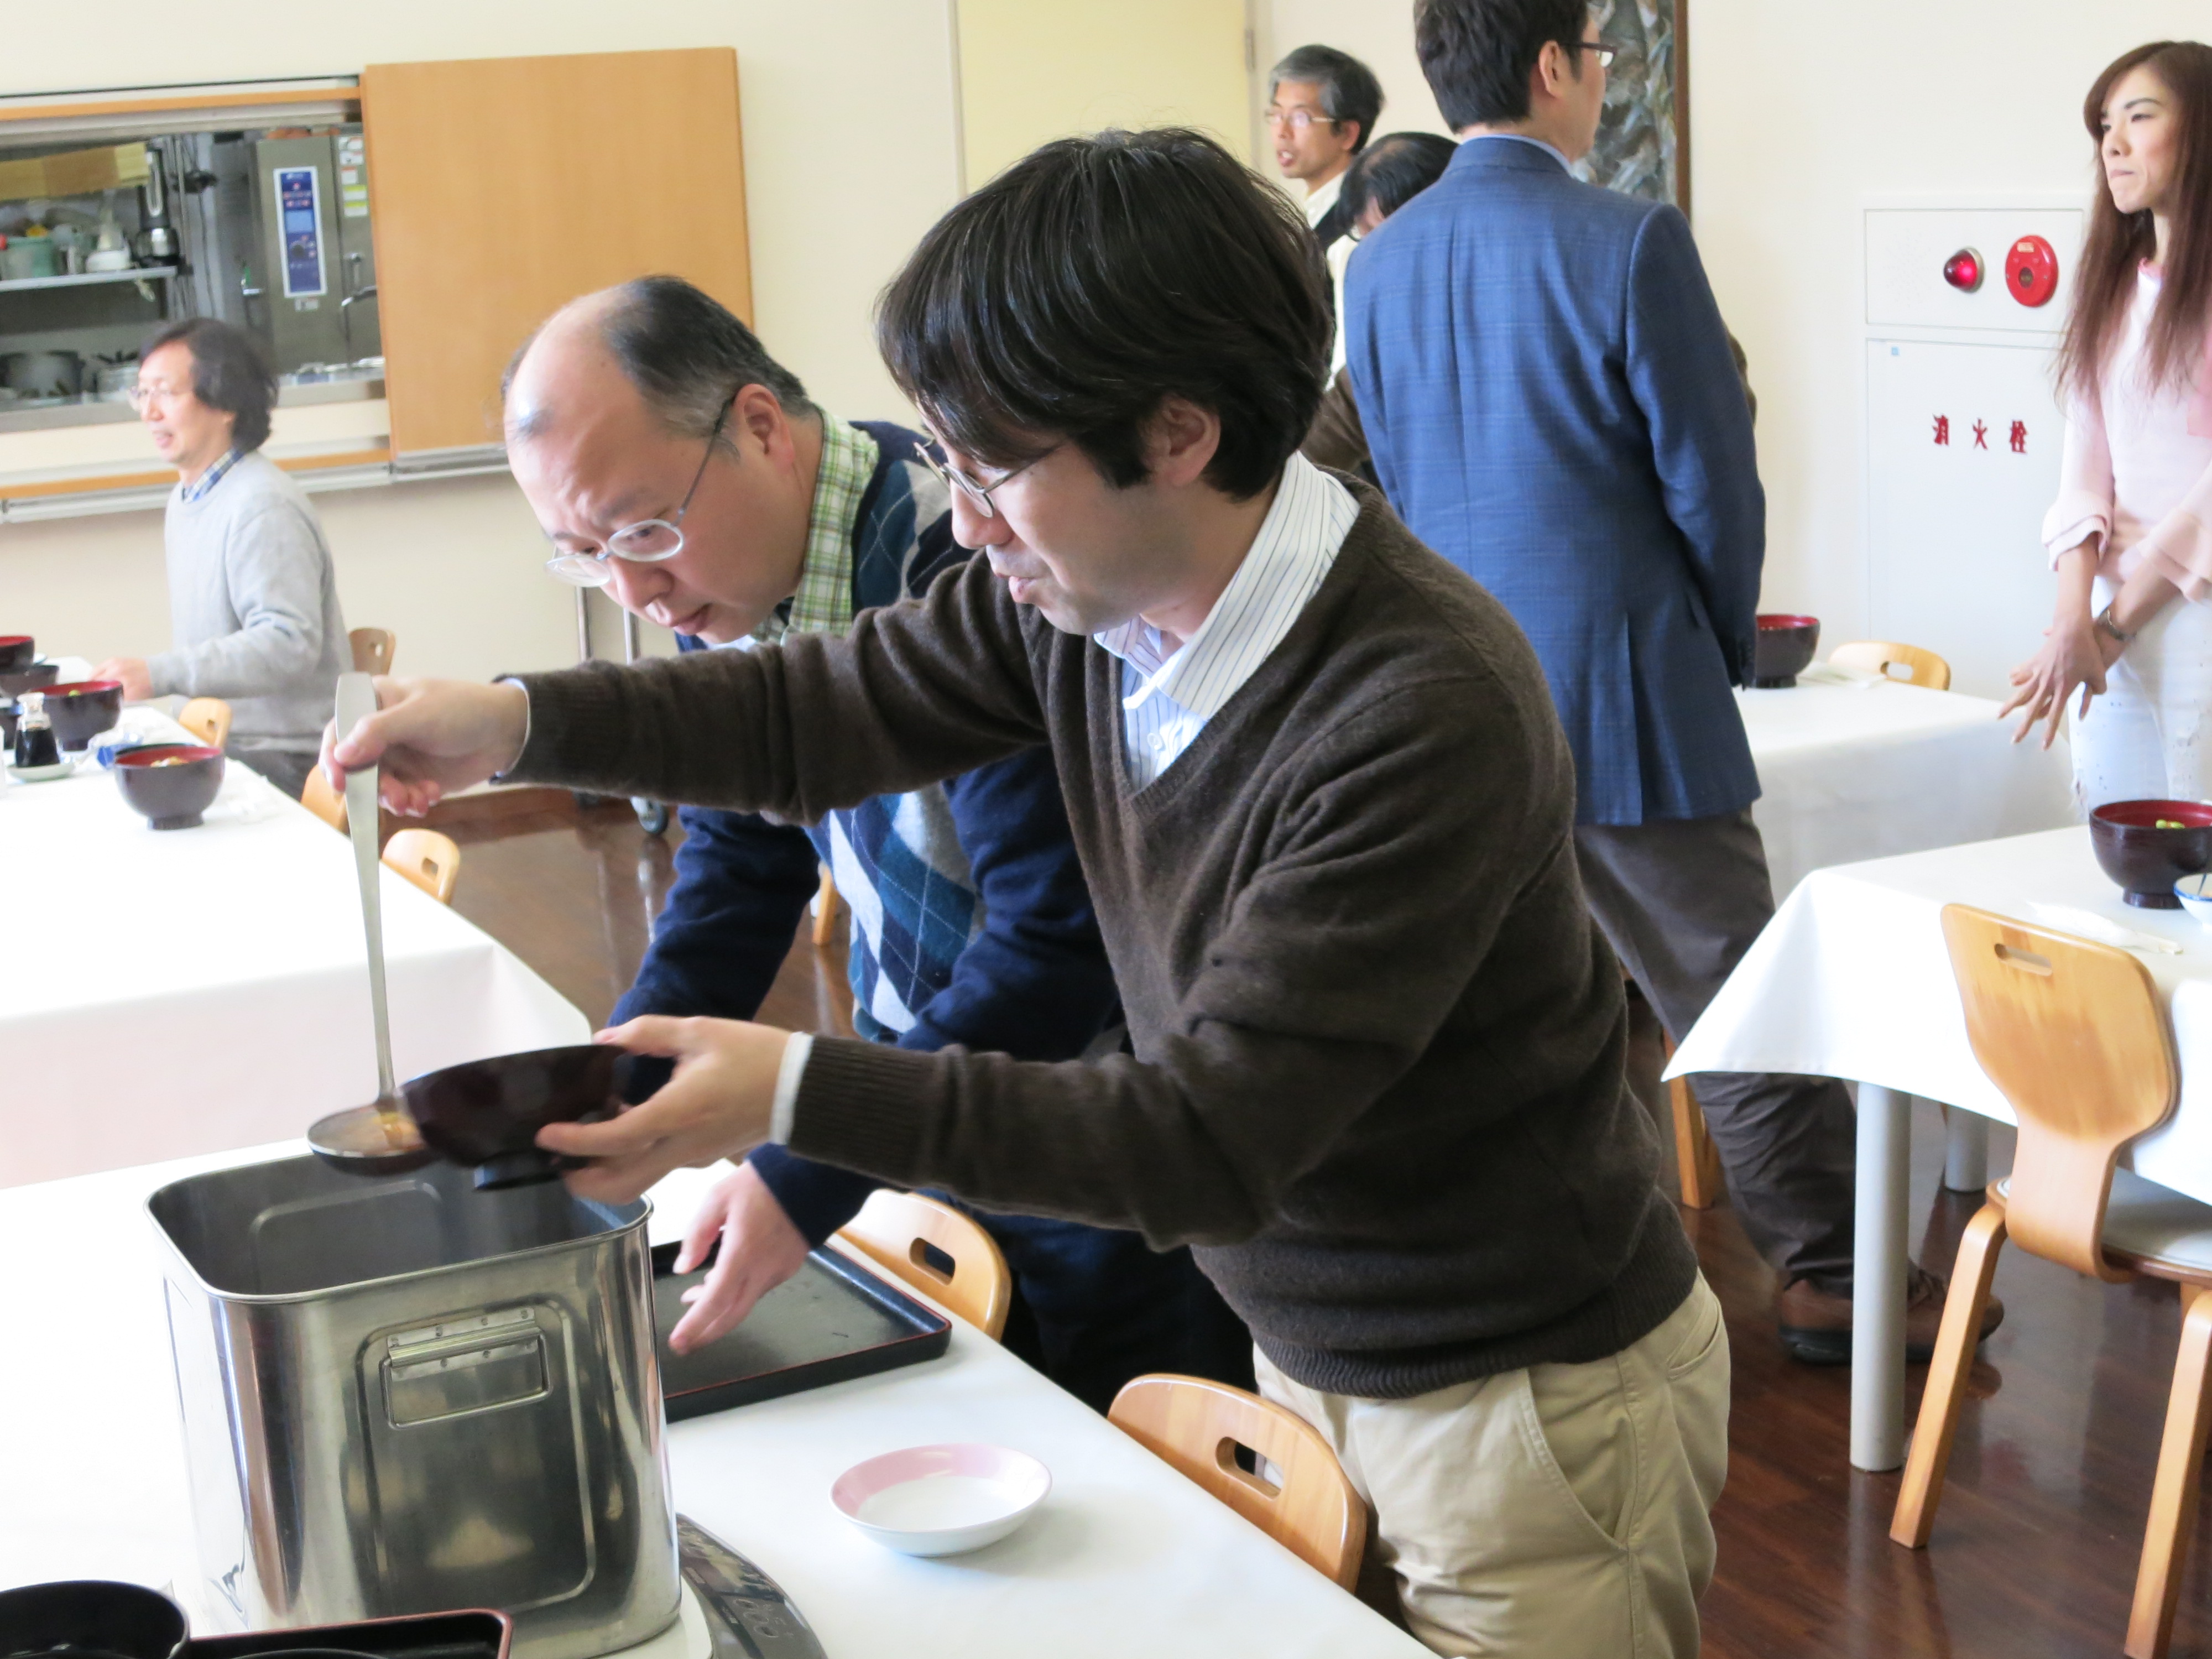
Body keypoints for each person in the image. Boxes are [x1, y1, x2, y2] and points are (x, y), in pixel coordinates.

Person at [329, 129, 1729, 1659]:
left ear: (1177, 433)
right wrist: (515, 722)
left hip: (1520, 1393)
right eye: (948, 463)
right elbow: (814, 709)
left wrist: (794, 1095)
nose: (965, 519)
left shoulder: (1414, 705)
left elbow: (1206, 1138)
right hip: (1313, 1339)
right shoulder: (1086, 606)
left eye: (992, 467)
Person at [1347, 0, 1999, 1365]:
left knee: (1536, 1010)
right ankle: (1837, 1277)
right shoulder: (1628, 237)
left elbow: (1394, 484)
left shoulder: (1381, 261)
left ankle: (1591, 1260)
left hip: (1455, 697)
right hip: (1624, 683)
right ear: (1550, 67)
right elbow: (1712, 482)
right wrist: (1708, 640)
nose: (1599, 79)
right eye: (1595, 56)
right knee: (1735, 996)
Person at [502, 274, 1251, 1410]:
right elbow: (742, 858)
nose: (635, 588)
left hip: (1089, 1124)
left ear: (761, 428)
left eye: (644, 530)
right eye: (585, 552)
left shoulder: (968, 565)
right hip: (916, 1098)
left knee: (1120, 1440)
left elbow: (1058, 945)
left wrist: (812, 1155)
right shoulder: (730, 576)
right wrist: (617, 1088)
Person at [2001, 40, 2212, 811]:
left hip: (2192, 618)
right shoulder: (2114, 287)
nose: (2112, 143)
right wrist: (2072, 621)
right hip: (2106, 624)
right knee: (2112, 844)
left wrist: (2114, 626)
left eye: (2140, 117)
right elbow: (2084, 467)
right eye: (2104, 125)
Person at [92, 318, 348, 798]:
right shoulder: (188, 497)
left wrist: (159, 673)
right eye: (141, 393)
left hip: (284, 758)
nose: (148, 412)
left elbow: (288, 643)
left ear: (225, 403)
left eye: (165, 393)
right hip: (219, 740)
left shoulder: (261, 505)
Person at [1300, 132, 1459, 479]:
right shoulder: (1396, 334)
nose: (1381, 262)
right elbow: (1334, 426)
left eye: (1389, 240)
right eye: (1367, 240)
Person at [1267, 44, 1385, 373]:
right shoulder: (1309, 213)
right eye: (1276, 115)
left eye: (1300, 118)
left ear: (1347, 133)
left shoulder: (1360, 223)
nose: (1282, 132)